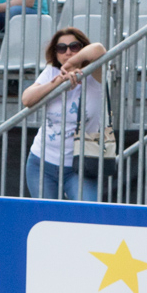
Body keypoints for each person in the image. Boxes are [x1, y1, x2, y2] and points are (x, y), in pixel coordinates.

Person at [21, 27, 109, 200]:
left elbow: (99, 49)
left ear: (82, 48)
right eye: (61, 48)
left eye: (74, 46)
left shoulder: (94, 74)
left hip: (79, 167)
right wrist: (58, 82)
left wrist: (72, 64)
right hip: (41, 163)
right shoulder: (51, 72)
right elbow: (27, 99)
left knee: (88, 216)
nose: (67, 52)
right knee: (46, 218)